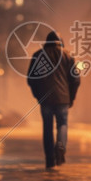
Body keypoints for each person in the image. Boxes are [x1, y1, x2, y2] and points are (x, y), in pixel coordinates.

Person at [27, 30, 80, 169]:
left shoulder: (38, 56)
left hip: (45, 99)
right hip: (63, 98)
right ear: (60, 42)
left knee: (47, 128)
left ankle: (50, 160)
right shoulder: (68, 56)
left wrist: (38, 96)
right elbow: (75, 80)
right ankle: (61, 145)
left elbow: (31, 79)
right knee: (62, 123)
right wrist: (71, 97)